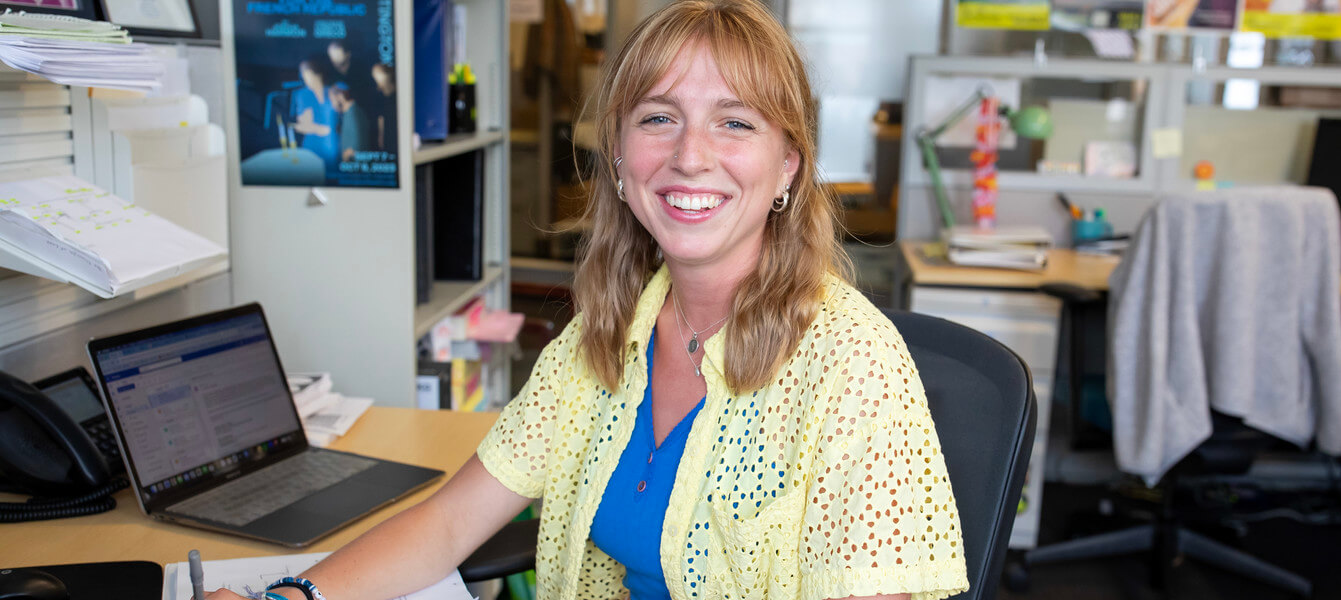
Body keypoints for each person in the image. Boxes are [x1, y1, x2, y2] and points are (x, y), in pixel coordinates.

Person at [209, 2, 967, 599]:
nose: (689, 155)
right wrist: (289, 598)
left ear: (787, 170)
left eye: (734, 122)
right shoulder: (607, 335)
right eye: (658, 117)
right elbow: (447, 525)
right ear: (619, 156)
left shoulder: (853, 361)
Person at [291, 58, 340, 174]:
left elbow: (342, 122)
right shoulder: (303, 95)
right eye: (303, 75)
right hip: (312, 146)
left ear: (318, 74)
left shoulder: (333, 91)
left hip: (334, 145)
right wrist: (322, 129)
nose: (305, 79)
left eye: (307, 74)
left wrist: (322, 129)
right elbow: (304, 125)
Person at [330, 86, 372, 163]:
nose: (332, 104)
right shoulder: (348, 113)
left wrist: (346, 156)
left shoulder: (353, 114)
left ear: (340, 96)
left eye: (332, 99)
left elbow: (358, 145)